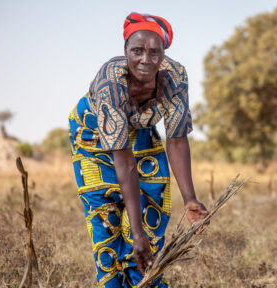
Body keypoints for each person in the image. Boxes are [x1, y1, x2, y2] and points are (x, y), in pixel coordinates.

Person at [68, 12, 208, 288]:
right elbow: (126, 163)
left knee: (152, 202)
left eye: (154, 52)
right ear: (125, 52)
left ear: (163, 54)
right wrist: (137, 234)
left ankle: (144, 280)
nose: (146, 59)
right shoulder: (111, 83)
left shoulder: (175, 78)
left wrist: (190, 198)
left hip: (141, 132)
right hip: (93, 137)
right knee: (105, 217)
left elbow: (177, 139)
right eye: (137, 51)